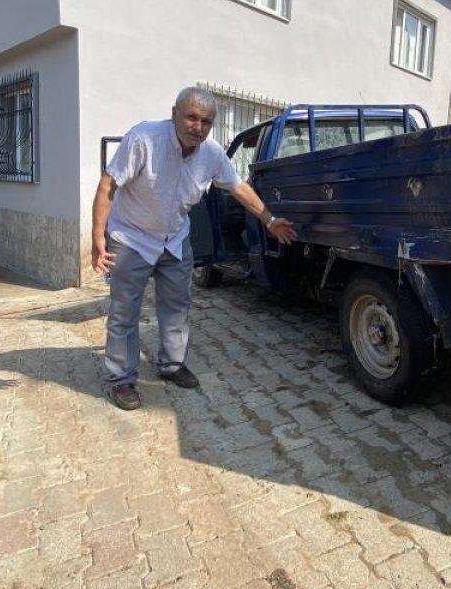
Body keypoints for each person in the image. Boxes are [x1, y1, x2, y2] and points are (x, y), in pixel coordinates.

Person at [92, 86, 297, 410]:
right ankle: (121, 379)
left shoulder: (212, 153)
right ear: (175, 114)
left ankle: (172, 365)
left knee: (177, 307)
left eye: (205, 121)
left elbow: (238, 187)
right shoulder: (144, 139)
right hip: (131, 238)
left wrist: (270, 220)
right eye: (190, 117)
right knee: (124, 313)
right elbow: (108, 184)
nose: (197, 126)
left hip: (173, 239)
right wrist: (98, 237)